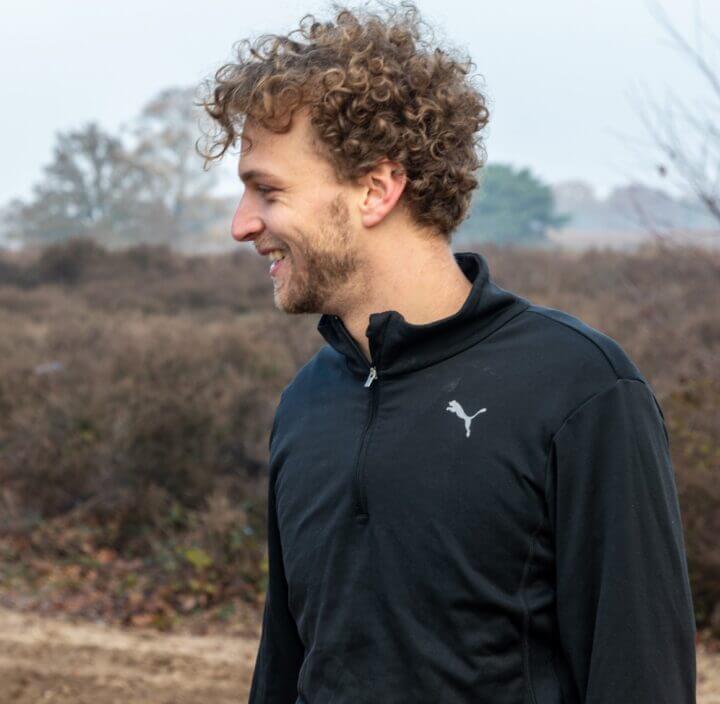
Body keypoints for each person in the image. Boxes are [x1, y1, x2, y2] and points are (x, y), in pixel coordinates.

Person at [201, 5, 696, 703]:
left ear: (377, 189)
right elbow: (283, 670)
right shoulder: (308, 403)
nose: (241, 224)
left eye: (269, 190)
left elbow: (639, 679)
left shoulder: (581, 390)